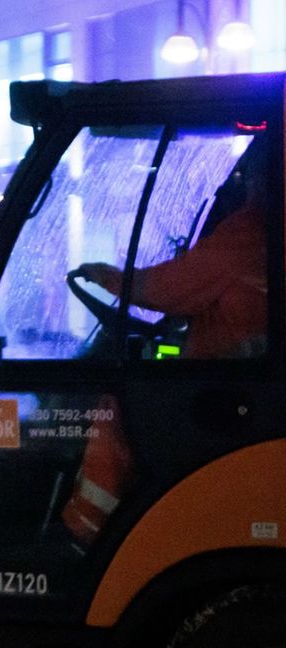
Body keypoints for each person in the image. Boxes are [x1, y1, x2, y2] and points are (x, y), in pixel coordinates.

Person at [62, 144, 269, 543]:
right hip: (244, 392)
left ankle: (85, 536)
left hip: (224, 400)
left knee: (116, 409)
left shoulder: (248, 234)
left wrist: (108, 276)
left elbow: (164, 289)